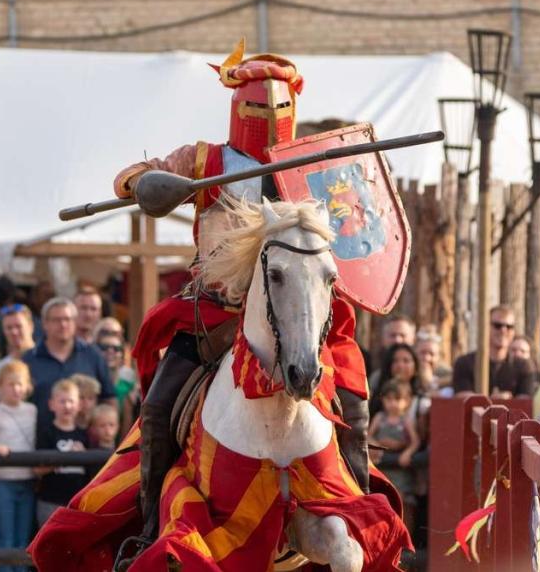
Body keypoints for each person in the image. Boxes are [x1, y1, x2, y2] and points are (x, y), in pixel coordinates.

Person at [109, 41, 372, 547]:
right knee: (160, 410)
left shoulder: (312, 166)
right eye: (256, 107)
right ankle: (147, 534)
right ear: (237, 107)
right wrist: (150, 182)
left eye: (278, 107)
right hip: (214, 313)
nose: (269, 117)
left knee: (355, 403)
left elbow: (353, 227)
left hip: (299, 310)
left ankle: (354, 513)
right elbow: (127, 181)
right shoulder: (205, 159)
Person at [22, 297, 115, 431]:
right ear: (45, 324)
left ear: (75, 322)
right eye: (57, 320)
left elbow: (109, 399)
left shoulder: (92, 355)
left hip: (86, 444)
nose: (63, 324)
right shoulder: (29, 359)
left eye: (67, 319)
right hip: (41, 444)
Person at [0, 361, 37, 572]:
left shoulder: (32, 411)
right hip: (2, 482)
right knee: (5, 538)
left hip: (27, 480)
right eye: (10, 384)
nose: (16, 389)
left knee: (23, 540)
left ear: (27, 386)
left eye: (20, 384)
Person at [34, 379, 89, 527]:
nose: (67, 406)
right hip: (50, 501)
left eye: (71, 401)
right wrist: (67, 458)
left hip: (77, 504)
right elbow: (37, 469)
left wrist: (84, 457)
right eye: (62, 401)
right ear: (51, 404)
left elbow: (92, 472)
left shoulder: (84, 435)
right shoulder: (46, 433)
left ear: (79, 405)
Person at [368, 379, 419, 532]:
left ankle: (404, 537)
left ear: (407, 401)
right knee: (382, 500)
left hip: (400, 470)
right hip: (383, 469)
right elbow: (368, 435)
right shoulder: (380, 418)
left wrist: (407, 453)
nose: (393, 404)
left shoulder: (406, 421)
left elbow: (415, 441)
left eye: (397, 399)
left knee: (402, 501)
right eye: (389, 399)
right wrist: (376, 446)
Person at [452, 305, 535, 397]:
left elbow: (524, 402)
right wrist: (492, 401)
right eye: (497, 325)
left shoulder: (523, 366)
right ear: (486, 327)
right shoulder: (464, 363)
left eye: (509, 327)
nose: (503, 330)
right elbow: (462, 396)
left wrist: (509, 400)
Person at [94, 318, 137, 436]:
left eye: (116, 349)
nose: (110, 351)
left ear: (122, 355)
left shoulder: (130, 384)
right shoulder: (91, 380)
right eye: (104, 348)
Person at [368, 314, 416, 393]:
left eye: (402, 335)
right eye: (392, 335)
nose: (397, 340)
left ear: (413, 339)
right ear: (383, 338)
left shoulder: (423, 370)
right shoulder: (370, 366)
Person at [0, 304, 36, 379]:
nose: (14, 332)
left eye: (19, 326)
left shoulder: (47, 359)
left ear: (31, 327)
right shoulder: (0, 368)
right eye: (9, 328)